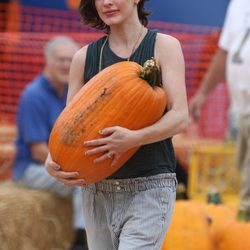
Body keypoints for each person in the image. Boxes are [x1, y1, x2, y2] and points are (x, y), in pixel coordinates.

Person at [45, 0, 189, 249]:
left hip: (149, 186)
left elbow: (179, 116)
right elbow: (69, 125)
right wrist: (53, 159)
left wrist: (135, 138)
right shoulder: (83, 58)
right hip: (96, 191)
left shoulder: (164, 46)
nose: (106, 2)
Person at [12, 36, 88, 250]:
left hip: (58, 164)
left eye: (70, 60)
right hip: (31, 170)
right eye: (60, 59)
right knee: (83, 179)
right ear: (47, 60)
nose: (65, 65)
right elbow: (38, 152)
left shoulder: (68, 92)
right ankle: (81, 241)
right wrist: (72, 167)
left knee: (90, 174)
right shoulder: (33, 95)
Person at [189, 0, 250, 221]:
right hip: (239, 112)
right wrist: (203, 92)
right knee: (242, 185)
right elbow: (225, 51)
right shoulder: (239, 3)